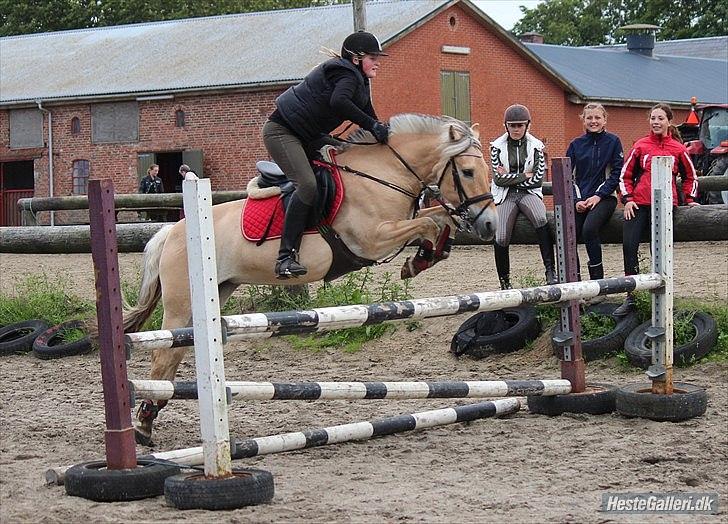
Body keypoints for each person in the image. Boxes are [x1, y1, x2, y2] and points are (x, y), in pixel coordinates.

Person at [262, 31, 390, 279]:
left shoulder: (360, 81)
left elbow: (368, 116)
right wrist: (372, 126)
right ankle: (285, 257)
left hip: (307, 135)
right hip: (282, 132)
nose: (378, 62)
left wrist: (383, 132)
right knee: (307, 185)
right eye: (373, 57)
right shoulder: (345, 74)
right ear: (356, 58)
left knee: (345, 160)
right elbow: (339, 102)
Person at [614, 103, 699, 315]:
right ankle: (631, 296)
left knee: (659, 252)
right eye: (653, 118)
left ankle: (662, 295)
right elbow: (624, 175)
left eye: (660, 118)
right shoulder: (640, 146)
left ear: (669, 122)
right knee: (629, 246)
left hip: (665, 206)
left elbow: (691, 176)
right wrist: (628, 199)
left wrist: (689, 199)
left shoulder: (679, 149)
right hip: (639, 204)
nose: (656, 122)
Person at [490, 104, 557, 290]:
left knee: (540, 217)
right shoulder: (496, 147)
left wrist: (511, 177)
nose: (516, 129)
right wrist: (523, 176)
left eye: (520, 125)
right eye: (512, 125)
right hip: (506, 195)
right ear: (506, 126)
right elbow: (498, 179)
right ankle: (504, 282)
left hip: (529, 193)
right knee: (501, 235)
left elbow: (536, 180)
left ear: (527, 125)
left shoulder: (536, 146)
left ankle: (550, 270)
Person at [566, 103, 624, 283]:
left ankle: (597, 282)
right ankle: (574, 281)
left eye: (597, 117)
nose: (593, 121)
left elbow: (616, 173)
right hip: (580, 200)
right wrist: (576, 200)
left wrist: (598, 196)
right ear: (583, 120)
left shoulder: (613, 142)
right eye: (589, 118)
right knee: (569, 233)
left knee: (589, 229)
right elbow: (568, 175)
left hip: (605, 198)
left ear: (605, 120)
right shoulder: (575, 145)